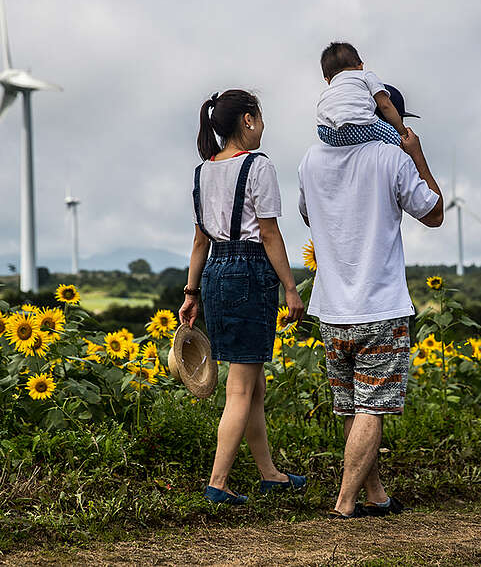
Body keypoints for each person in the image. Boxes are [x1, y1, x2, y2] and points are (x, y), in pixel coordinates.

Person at [297, 110, 444, 518]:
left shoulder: (311, 159)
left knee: (351, 407)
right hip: (379, 307)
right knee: (372, 408)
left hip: (332, 311)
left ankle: (375, 495)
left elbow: (309, 215)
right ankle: (345, 504)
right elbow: (434, 213)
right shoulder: (391, 157)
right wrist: (416, 154)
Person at [179, 89, 306, 505]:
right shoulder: (258, 167)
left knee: (252, 385)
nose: (264, 127)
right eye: (261, 118)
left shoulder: (202, 172)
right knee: (240, 388)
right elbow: (269, 233)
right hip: (250, 273)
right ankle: (218, 483)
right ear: (248, 120)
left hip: (215, 273)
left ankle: (271, 474)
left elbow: (200, 241)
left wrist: (191, 292)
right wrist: (290, 287)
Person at [316, 42, 408, 147]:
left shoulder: (327, 91)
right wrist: (402, 133)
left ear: (327, 79)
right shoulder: (366, 75)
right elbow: (385, 105)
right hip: (357, 128)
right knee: (399, 143)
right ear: (360, 65)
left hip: (327, 132)